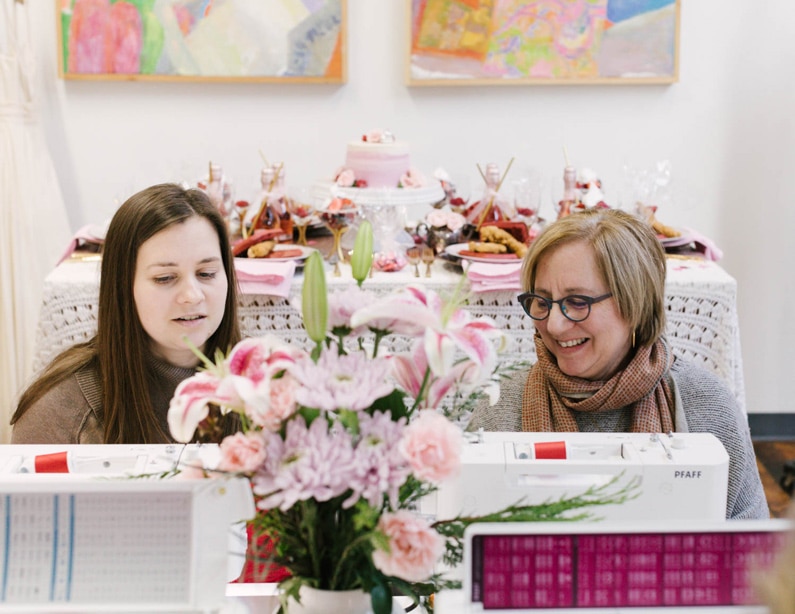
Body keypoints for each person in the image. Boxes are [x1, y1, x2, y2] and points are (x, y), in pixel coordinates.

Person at [467, 208, 769, 520]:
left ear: (635, 303)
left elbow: (751, 546)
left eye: (577, 302)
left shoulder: (705, 407)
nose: (554, 325)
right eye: (542, 302)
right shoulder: (502, 406)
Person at [10, 183, 241, 444]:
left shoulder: (263, 387)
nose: (193, 295)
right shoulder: (59, 411)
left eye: (206, 274)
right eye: (165, 278)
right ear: (122, 286)